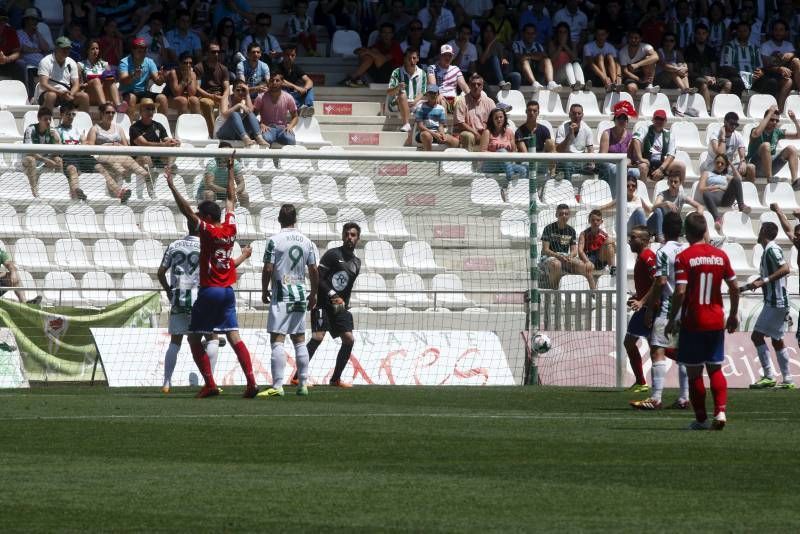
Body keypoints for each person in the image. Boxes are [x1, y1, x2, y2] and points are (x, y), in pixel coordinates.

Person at [166, 152, 259, 399]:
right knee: (234, 336)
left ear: (205, 218)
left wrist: (172, 186)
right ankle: (251, 382)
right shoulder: (230, 226)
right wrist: (230, 170)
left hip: (209, 291)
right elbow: (231, 198)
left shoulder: (207, 230)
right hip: (228, 291)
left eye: (200, 214)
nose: (197, 216)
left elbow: (186, 212)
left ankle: (209, 383)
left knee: (194, 339)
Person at [666, 212, 739, 430]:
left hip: (694, 321)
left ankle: (701, 420)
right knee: (715, 369)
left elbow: (680, 291)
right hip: (716, 319)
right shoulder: (721, 255)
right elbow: (734, 288)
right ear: (705, 230)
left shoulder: (685, 257)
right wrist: (733, 314)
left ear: (686, 233)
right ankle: (721, 412)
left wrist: (672, 318)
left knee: (694, 372)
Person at [158, 224, 252, 393]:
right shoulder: (206, 246)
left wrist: (168, 291)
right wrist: (244, 255)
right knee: (212, 336)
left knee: (175, 341)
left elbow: (160, 272)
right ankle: (210, 380)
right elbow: (225, 267)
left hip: (179, 298)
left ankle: (166, 383)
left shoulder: (174, 245)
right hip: (200, 297)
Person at [257, 204, 319, 397]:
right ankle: (303, 385)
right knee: (299, 340)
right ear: (296, 219)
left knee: (277, 340)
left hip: (282, 294)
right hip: (300, 294)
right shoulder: (308, 242)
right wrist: (314, 293)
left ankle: (277, 386)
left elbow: (268, 268)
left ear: (278, 219)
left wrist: (264, 289)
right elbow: (314, 270)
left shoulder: (274, 241)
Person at [632, 212, 689, 411]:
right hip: (688, 307)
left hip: (668, 306)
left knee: (657, 348)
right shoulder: (688, 249)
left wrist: (648, 309)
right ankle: (684, 397)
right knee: (683, 353)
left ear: (664, 229)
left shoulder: (664, 252)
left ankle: (655, 398)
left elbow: (661, 281)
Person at [299, 223, 362, 388]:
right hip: (323, 303)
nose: (350, 237)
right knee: (317, 337)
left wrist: (343, 304)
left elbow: (347, 288)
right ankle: (298, 377)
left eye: (353, 235)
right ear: (342, 236)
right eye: (347, 234)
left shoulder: (357, 262)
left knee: (349, 339)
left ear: (358, 239)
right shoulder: (333, 254)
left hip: (340, 307)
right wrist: (331, 294)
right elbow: (318, 277)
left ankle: (335, 379)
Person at [743, 222, 794, 390]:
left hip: (776, 302)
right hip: (776, 301)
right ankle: (787, 379)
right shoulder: (768, 251)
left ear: (764, 231)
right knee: (776, 339)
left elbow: (786, 268)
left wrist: (764, 281)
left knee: (757, 337)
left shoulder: (772, 249)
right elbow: (771, 274)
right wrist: (749, 285)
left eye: (760, 230)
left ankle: (769, 376)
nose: (758, 233)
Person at [86, 102, 150, 203]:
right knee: (114, 161)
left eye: (113, 112)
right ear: (102, 113)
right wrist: (107, 146)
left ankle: (145, 175)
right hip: (102, 154)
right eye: (108, 112)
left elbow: (126, 147)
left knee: (127, 161)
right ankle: (126, 174)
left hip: (118, 153)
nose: (111, 115)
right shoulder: (95, 129)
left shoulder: (118, 128)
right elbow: (90, 147)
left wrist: (118, 146)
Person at [624, 225, 655, 392]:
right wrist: (638, 295)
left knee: (631, 342)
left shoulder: (648, 256)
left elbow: (658, 281)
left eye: (633, 237)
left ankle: (689, 362)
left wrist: (642, 301)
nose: (630, 240)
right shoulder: (641, 256)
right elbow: (650, 283)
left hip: (651, 308)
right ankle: (641, 382)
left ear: (644, 240)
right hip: (647, 306)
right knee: (633, 343)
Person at [540, 204, 593, 290]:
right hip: (549, 257)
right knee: (556, 264)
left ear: (569, 215)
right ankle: (555, 292)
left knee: (584, 266)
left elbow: (574, 250)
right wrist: (558, 256)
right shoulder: (548, 228)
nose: (564, 216)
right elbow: (545, 250)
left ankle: (593, 293)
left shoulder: (571, 230)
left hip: (565, 257)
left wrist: (570, 256)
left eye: (566, 214)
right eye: (561, 214)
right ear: (556, 215)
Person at [479, 107, 527, 200]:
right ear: (492, 120)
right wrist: (499, 155)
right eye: (496, 118)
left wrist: (506, 157)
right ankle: (510, 177)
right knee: (502, 151)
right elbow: (482, 151)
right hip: (490, 164)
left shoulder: (509, 132)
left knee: (523, 170)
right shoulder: (487, 132)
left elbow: (514, 151)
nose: (499, 119)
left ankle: (510, 191)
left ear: (504, 118)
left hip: (506, 164)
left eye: (501, 117)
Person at [746, 105, 800, 186]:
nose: (774, 122)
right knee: (766, 145)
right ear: (766, 118)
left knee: (791, 149)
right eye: (771, 119)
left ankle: (795, 181)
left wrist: (794, 120)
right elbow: (756, 133)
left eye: (777, 120)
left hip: (770, 167)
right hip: (754, 167)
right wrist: (770, 112)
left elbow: (798, 136)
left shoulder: (777, 132)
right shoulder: (756, 130)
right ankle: (769, 178)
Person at [129, 97, 179, 182]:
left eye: (153, 109)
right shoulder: (134, 127)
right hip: (140, 158)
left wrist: (173, 141)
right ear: (141, 111)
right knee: (146, 157)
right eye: (148, 109)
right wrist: (163, 145)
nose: (151, 111)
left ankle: (168, 171)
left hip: (156, 157)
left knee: (174, 148)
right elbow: (143, 144)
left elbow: (165, 138)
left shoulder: (158, 125)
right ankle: (150, 182)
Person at [698, 153, 751, 231]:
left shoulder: (725, 176)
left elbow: (739, 179)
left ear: (725, 166)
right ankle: (717, 219)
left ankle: (741, 206)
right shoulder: (707, 173)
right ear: (714, 163)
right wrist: (715, 187)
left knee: (735, 180)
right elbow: (701, 189)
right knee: (706, 194)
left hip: (726, 198)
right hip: (713, 197)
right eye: (717, 162)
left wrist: (731, 165)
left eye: (722, 163)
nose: (719, 165)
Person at [34, 37, 89, 112]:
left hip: (66, 94)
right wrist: (59, 92)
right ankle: (47, 121)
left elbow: (76, 84)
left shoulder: (71, 62)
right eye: (63, 48)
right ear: (56, 48)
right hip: (48, 93)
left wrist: (71, 94)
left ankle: (84, 122)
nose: (66, 51)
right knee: (52, 95)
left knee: (84, 96)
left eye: (68, 48)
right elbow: (43, 84)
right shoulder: (45, 61)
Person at [631, 109, 686, 183]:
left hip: (661, 163)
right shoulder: (645, 129)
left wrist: (661, 169)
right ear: (653, 120)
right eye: (657, 119)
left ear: (665, 121)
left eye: (662, 119)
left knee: (681, 166)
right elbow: (636, 140)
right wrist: (640, 158)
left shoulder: (669, 134)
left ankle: (678, 191)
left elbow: (671, 155)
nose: (659, 121)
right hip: (647, 161)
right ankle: (642, 192)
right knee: (643, 167)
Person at [685, 23, 731, 110]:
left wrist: (713, 77)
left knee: (728, 83)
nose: (701, 36)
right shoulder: (690, 49)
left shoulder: (710, 50)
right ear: (695, 35)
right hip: (696, 78)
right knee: (704, 83)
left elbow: (714, 70)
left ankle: (716, 108)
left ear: (707, 35)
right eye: (699, 33)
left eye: (703, 33)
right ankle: (708, 110)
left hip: (710, 78)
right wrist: (705, 77)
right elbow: (690, 71)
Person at [119, 37, 168, 116]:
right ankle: (130, 127)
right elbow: (123, 80)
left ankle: (162, 126)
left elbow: (158, 82)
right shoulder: (124, 62)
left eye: (144, 49)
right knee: (132, 98)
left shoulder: (149, 62)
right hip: (127, 92)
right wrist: (133, 75)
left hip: (143, 92)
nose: (142, 51)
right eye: (139, 49)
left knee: (162, 98)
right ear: (133, 50)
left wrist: (162, 77)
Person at [343, 23, 403, 87]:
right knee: (369, 56)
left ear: (392, 35)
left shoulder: (395, 46)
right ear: (380, 34)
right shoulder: (378, 45)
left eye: (389, 33)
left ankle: (353, 77)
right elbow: (356, 51)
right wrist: (363, 51)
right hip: (379, 75)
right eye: (384, 32)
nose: (386, 35)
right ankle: (354, 78)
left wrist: (368, 51)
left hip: (393, 76)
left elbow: (384, 59)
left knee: (373, 52)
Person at [598, 100, 639, 196]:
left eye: (624, 118)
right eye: (619, 118)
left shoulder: (630, 136)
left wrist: (627, 161)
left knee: (635, 171)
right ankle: (615, 197)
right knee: (615, 169)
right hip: (608, 164)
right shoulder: (607, 133)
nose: (621, 120)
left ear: (627, 121)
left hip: (624, 164)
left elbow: (630, 157)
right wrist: (618, 162)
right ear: (614, 120)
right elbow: (602, 157)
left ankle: (630, 197)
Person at [757, 19, 798, 113]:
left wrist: (792, 55)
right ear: (772, 31)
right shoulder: (765, 46)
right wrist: (779, 68)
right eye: (776, 30)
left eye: (781, 30)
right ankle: (779, 111)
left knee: (796, 61)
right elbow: (765, 65)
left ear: (786, 32)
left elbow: (794, 64)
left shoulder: (789, 45)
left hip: (788, 73)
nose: (778, 32)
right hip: (771, 75)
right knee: (788, 81)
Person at [650, 174, 704, 242]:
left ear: (680, 183)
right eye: (671, 181)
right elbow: (653, 208)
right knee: (658, 210)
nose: (673, 184)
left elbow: (699, 206)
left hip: (671, 225)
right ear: (668, 183)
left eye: (675, 182)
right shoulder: (663, 194)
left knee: (692, 218)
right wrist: (665, 203)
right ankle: (660, 236)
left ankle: (705, 242)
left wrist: (699, 215)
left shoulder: (682, 195)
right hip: (659, 223)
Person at [21, 107, 61, 198]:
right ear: (39, 119)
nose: (48, 122)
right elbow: (29, 151)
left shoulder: (52, 132)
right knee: (31, 160)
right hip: (28, 158)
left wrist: (57, 140)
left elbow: (57, 153)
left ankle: (59, 189)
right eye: (45, 119)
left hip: (44, 160)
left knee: (58, 160)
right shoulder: (30, 129)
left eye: (49, 119)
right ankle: (34, 191)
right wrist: (46, 160)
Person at [215, 80, 268, 148]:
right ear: (233, 91)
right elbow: (224, 114)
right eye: (238, 90)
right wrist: (238, 105)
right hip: (224, 132)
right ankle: (245, 138)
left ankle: (259, 137)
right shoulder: (226, 98)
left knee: (250, 114)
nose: (240, 92)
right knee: (235, 114)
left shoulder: (245, 99)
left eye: (243, 90)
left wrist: (247, 93)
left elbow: (251, 111)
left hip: (237, 133)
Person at [54, 101, 89, 201]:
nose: (71, 117)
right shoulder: (56, 131)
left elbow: (84, 146)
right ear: (61, 114)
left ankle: (119, 192)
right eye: (68, 114)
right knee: (72, 169)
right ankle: (76, 192)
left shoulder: (78, 130)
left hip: (80, 157)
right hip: (67, 158)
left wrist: (83, 142)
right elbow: (58, 148)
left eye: (73, 114)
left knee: (99, 167)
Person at [387, 48, 426, 134]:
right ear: (404, 59)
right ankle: (406, 123)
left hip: (415, 103)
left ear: (418, 59)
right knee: (402, 94)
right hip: (398, 103)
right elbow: (389, 92)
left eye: (414, 58)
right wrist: (398, 87)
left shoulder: (422, 73)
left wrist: (415, 102)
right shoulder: (396, 72)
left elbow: (423, 92)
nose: (411, 61)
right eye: (409, 58)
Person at [79, 40, 125, 112]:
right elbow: (80, 85)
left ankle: (118, 105)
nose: (95, 51)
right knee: (96, 80)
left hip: (104, 92)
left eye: (97, 49)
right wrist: (84, 85)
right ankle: (104, 107)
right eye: (92, 49)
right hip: (90, 94)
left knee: (110, 80)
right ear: (87, 50)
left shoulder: (105, 64)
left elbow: (111, 80)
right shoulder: (80, 65)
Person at [197, 141, 249, 206]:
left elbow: (241, 183)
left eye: (229, 152)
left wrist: (234, 192)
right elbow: (209, 185)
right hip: (207, 192)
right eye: (224, 151)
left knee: (244, 195)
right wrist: (227, 191)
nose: (227, 154)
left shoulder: (235, 163)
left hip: (225, 192)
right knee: (209, 194)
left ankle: (245, 214)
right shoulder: (212, 164)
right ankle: (208, 214)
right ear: (219, 153)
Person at [195, 42, 230, 135]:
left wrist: (224, 98)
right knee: (207, 103)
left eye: (218, 52)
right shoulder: (199, 67)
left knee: (233, 103)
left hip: (219, 96)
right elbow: (197, 88)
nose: (216, 54)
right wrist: (212, 96)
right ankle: (214, 134)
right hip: (205, 95)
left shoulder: (223, 68)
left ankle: (229, 133)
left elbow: (227, 88)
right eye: (213, 52)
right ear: (207, 53)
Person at [254, 73, 298, 147]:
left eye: (277, 80)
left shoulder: (288, 97)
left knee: (291, 140)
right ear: (269, 82)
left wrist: (290, 126)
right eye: (272, 80)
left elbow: (295, 116)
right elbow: (252, 116)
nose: (274, 83)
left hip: (283, 129)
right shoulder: (261, 97)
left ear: (282, 83)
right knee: (266, 139)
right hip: (267, 128)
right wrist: (260, 124)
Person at [706, 112, 754, 179]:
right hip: (714, 166)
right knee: (734, 178)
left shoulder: (737, 135)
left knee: (751, 168)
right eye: (731, 124)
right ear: (725, 122)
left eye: (736, 124)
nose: (734, 126)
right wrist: (723, 136)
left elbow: (742, 154)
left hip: (728, 166)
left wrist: (742, 162)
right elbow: (721, 154)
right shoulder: (715, 135)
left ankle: (749, 189)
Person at [515, 99, 556, 177]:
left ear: (538, 113)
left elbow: (550, 147)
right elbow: (525, 154)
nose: (532, 113)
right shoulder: (519, 131)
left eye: (534, 111)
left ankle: (553, 175)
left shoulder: (544, 129)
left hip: (541, 161)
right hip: (527, 163)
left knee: (551, 142)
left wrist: (541, 157)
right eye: (529, 110)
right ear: (526, 112)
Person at [453, 73, 495, 151]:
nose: (476, 86)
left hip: (484, 132)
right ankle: (469, 161)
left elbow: (494, 120)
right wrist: (475, 133)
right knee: (469, 136)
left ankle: (487, 162)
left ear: (482, 86)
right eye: (473, 84)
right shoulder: (461, 102)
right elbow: (460, 123)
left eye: (479, 84)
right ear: (469, 86)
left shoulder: (490, 102)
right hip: (467, 132)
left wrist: (485, 132)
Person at [477, 22, 521, 91]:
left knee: (516, 76)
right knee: (494, 58)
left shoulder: (498, 45)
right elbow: (482, 61)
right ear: (482, 33)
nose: (489, 34)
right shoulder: (478, 46)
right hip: (487, 76)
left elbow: (503, 60)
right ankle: (502, 83)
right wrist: (490, 44)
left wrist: (504, 61)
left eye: (491, 31)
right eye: (486, 31)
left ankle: (512, 97)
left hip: (501, 75)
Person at [275, 45, 315, 118]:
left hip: (294, 95)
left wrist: (305, 89)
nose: (290, 57)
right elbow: (281, 81)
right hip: (284, 96)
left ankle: (308, 108)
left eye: (292, 55)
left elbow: (309, 81)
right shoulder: (277, 67)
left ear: (295, 56)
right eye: (287, 55)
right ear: (283, 55)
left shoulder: (296, 68)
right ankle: (299, 109)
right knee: (282, 90)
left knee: (310, 88)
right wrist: (296, 87)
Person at [555, 103, 594, 178]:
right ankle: (569, 188)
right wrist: (569, 135)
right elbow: (558, 150)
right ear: (569, 115)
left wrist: (592, 163)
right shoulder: (562, 128)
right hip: (565, 160)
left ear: (582, 115)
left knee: (598, 167)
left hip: (581, 162)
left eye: (579, 114)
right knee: (566, 165)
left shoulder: (587, 129)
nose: (576, 116)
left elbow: (590, 149)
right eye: (574, 113)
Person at [426, 44, 469, 111]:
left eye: (450, 55)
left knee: (463, 103)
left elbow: (464, 85)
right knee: (441, 104)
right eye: (444, 55)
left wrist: (472, 97)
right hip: (440, 97)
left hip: (454, 99)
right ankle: (443, 121)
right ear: (440, 56)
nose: (447, 57)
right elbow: (432, 84)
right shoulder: (432, 68)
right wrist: (438, 94)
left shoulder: (456, 69)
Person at [414, 84, 457, 151]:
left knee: (455, 141)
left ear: (438, 94)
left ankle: (448, 160)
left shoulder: (441, 108)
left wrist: (442, 134)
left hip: (436, 133)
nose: (432, 95)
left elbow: (441, 126)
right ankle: (429, 158)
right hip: (423, 133)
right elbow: (420, 126)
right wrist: (434, 134)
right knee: (427, 135)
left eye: (434, 93)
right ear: (427, 94)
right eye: (430, 93)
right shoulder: (420, 107)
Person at [511, 23, 554, 90]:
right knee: (525, 61)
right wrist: (535, 55)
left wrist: (528, 56)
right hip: (521, 73)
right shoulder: (516, 44)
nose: (530, 36)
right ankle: (534, 83)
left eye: (533, 33)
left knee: (547, 60)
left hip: (536, 71)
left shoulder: (538, 45)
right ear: (523, 34)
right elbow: (518, 57)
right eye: (528, 33)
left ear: (535, 34)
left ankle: (551, 83)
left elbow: (544, 56)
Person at [619, 28, 660, 96]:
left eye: (636, 38)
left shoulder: (646, 47)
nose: (633, 40)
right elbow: (625, 71)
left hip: (645, 75)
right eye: (631, 37)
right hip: (631, 76)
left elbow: (656, 57)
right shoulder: (622, 51)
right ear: (628, 39)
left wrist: (637, 64)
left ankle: (649, 85)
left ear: (640, 39)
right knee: (632, 88)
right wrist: (638, 79)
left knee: (649, 58)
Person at [577, 210, 616, 279]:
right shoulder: (584, 234)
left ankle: (612, 269)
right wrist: (587, 261)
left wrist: (611, 243)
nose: (595, 222)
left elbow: (614, 249)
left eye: (598, 220)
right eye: (593, 220)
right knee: (610, 241)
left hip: (600, 260)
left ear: (601, 222)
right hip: (588, 259)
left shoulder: (604, 235)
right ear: (589, 221)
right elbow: (580, 251)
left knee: (610, 244)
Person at [549, 22, 585, 90]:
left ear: (568, 34)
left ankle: (582, 85)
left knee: (576, 64)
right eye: (560, 32)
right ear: (557, 33)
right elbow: (551, 60)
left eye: (565, 32)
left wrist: (565, 45)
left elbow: (575, 59)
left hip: (570, 77)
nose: (562, 34)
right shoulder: (552, 44)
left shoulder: (572, 44)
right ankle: (573, 85)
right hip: (557, 76)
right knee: (568, 65)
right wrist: (561, 45)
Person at [583, 26, 620, 91]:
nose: (600, 37)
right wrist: (604, 78)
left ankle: (614, 83)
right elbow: (591, 64)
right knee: (600, 56)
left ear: (607, 35)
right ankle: (607, 83)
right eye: (598, 34)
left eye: (603, 34)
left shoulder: (611, 47)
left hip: (608, 75)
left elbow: (617, 64)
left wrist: (618, 77)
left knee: (610, 57)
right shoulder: (588, 46)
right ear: (595, 35)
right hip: (592, 73)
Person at [0, 7, 23, 81]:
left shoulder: (11, 31)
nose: (1, 22)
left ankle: (22, 91)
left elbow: (17, 52)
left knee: (20, 65)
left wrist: (7, 59)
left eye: (4, 20)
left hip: (6, 61)